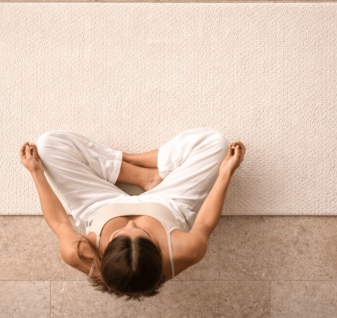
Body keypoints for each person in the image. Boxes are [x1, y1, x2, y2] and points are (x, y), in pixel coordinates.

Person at [19, 128, 246, 301]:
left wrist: (36, 172)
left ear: (103, 254)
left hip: (99, 205)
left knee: (48, 145)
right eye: (144, 234)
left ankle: (135, 171)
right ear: (159, 252)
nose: (131, 225)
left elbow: (59, 222)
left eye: (119, 235)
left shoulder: (80, 254)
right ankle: (146, 173)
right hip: (168, 202)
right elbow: (204, 222)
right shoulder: (185, 250)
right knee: (216, 143)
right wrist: (226, 173)